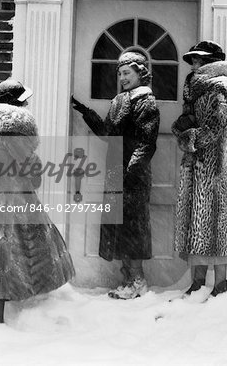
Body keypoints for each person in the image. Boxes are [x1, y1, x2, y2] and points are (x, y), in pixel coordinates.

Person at [0, 78, 75, 323]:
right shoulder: (15, 131)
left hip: (2, 199)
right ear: (16, 105)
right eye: (24, 100)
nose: (28, 104)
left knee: (4, 253)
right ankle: (4, 314)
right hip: (16, 200)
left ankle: (1, 312)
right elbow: (31, 175)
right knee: (29, 248)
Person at [72, 51, 160, 299]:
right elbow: (107, 133)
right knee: (118, 227)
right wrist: (86, 112)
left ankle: (138, 281)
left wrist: (131, 171)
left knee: (133, 228)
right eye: (120, 73)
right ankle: (126, 279)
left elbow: (147, 143)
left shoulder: (146, 102)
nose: (122, 77)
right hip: (115, 172)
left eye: (127, 73)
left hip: (133, 175)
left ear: (140, 73)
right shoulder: (120, 100)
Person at [172, 41, 227, 297]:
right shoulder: (194, 90)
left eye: (198, 60)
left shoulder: (219, 90)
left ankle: (220, 285)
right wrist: (182, 129)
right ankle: (197, 283)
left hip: (214, 167)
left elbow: (215, 129)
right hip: (196, 165)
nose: (194, 64)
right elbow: (186, 121)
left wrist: (190, 138)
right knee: (196, 224)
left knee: (216, 225)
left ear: (209, 62)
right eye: (193, 60)